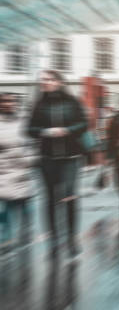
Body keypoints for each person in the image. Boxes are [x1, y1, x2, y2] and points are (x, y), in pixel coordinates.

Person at [27, 70, 88, 257]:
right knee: (51, 200)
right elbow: (30, 129)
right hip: (48, 159)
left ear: (59, 81)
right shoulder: (38, 104)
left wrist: (67, 130)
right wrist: (46, 132)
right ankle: (53, 241)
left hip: (70, 159)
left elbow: (84, 124)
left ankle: (71, 239)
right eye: (42, 80)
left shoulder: (72, 101)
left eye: (48, 79)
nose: (44, 82)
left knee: (69, 197)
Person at [0, 93, 36, 253]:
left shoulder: (24, 121)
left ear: (16, 103)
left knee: (24, 201)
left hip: (22, 167)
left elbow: (33, 142)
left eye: (11, 101)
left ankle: (26, 230)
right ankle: (6, 238)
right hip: (4, 169)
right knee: (4, 205)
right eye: (5, 101)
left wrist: (30, 159)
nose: (8, 103)